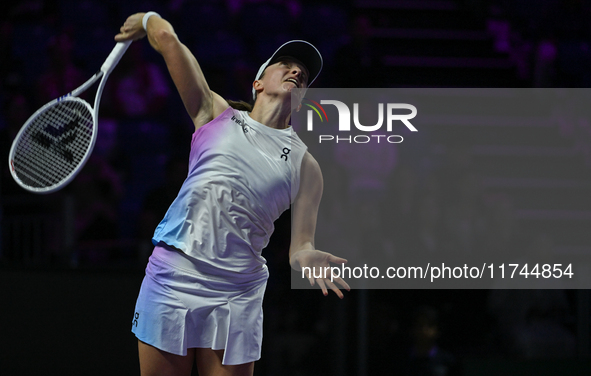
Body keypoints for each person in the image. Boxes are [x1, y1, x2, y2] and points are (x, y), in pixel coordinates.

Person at [114, 11, 350, 376]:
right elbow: (170, 41)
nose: (295, 72)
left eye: (303, 74)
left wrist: (306, 257)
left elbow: (300, 245)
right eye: (285, 64)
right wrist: (147, 20)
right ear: (257, 83)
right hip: (173, 275)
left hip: (237, 292)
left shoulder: (306, 166)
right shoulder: (215, 114)